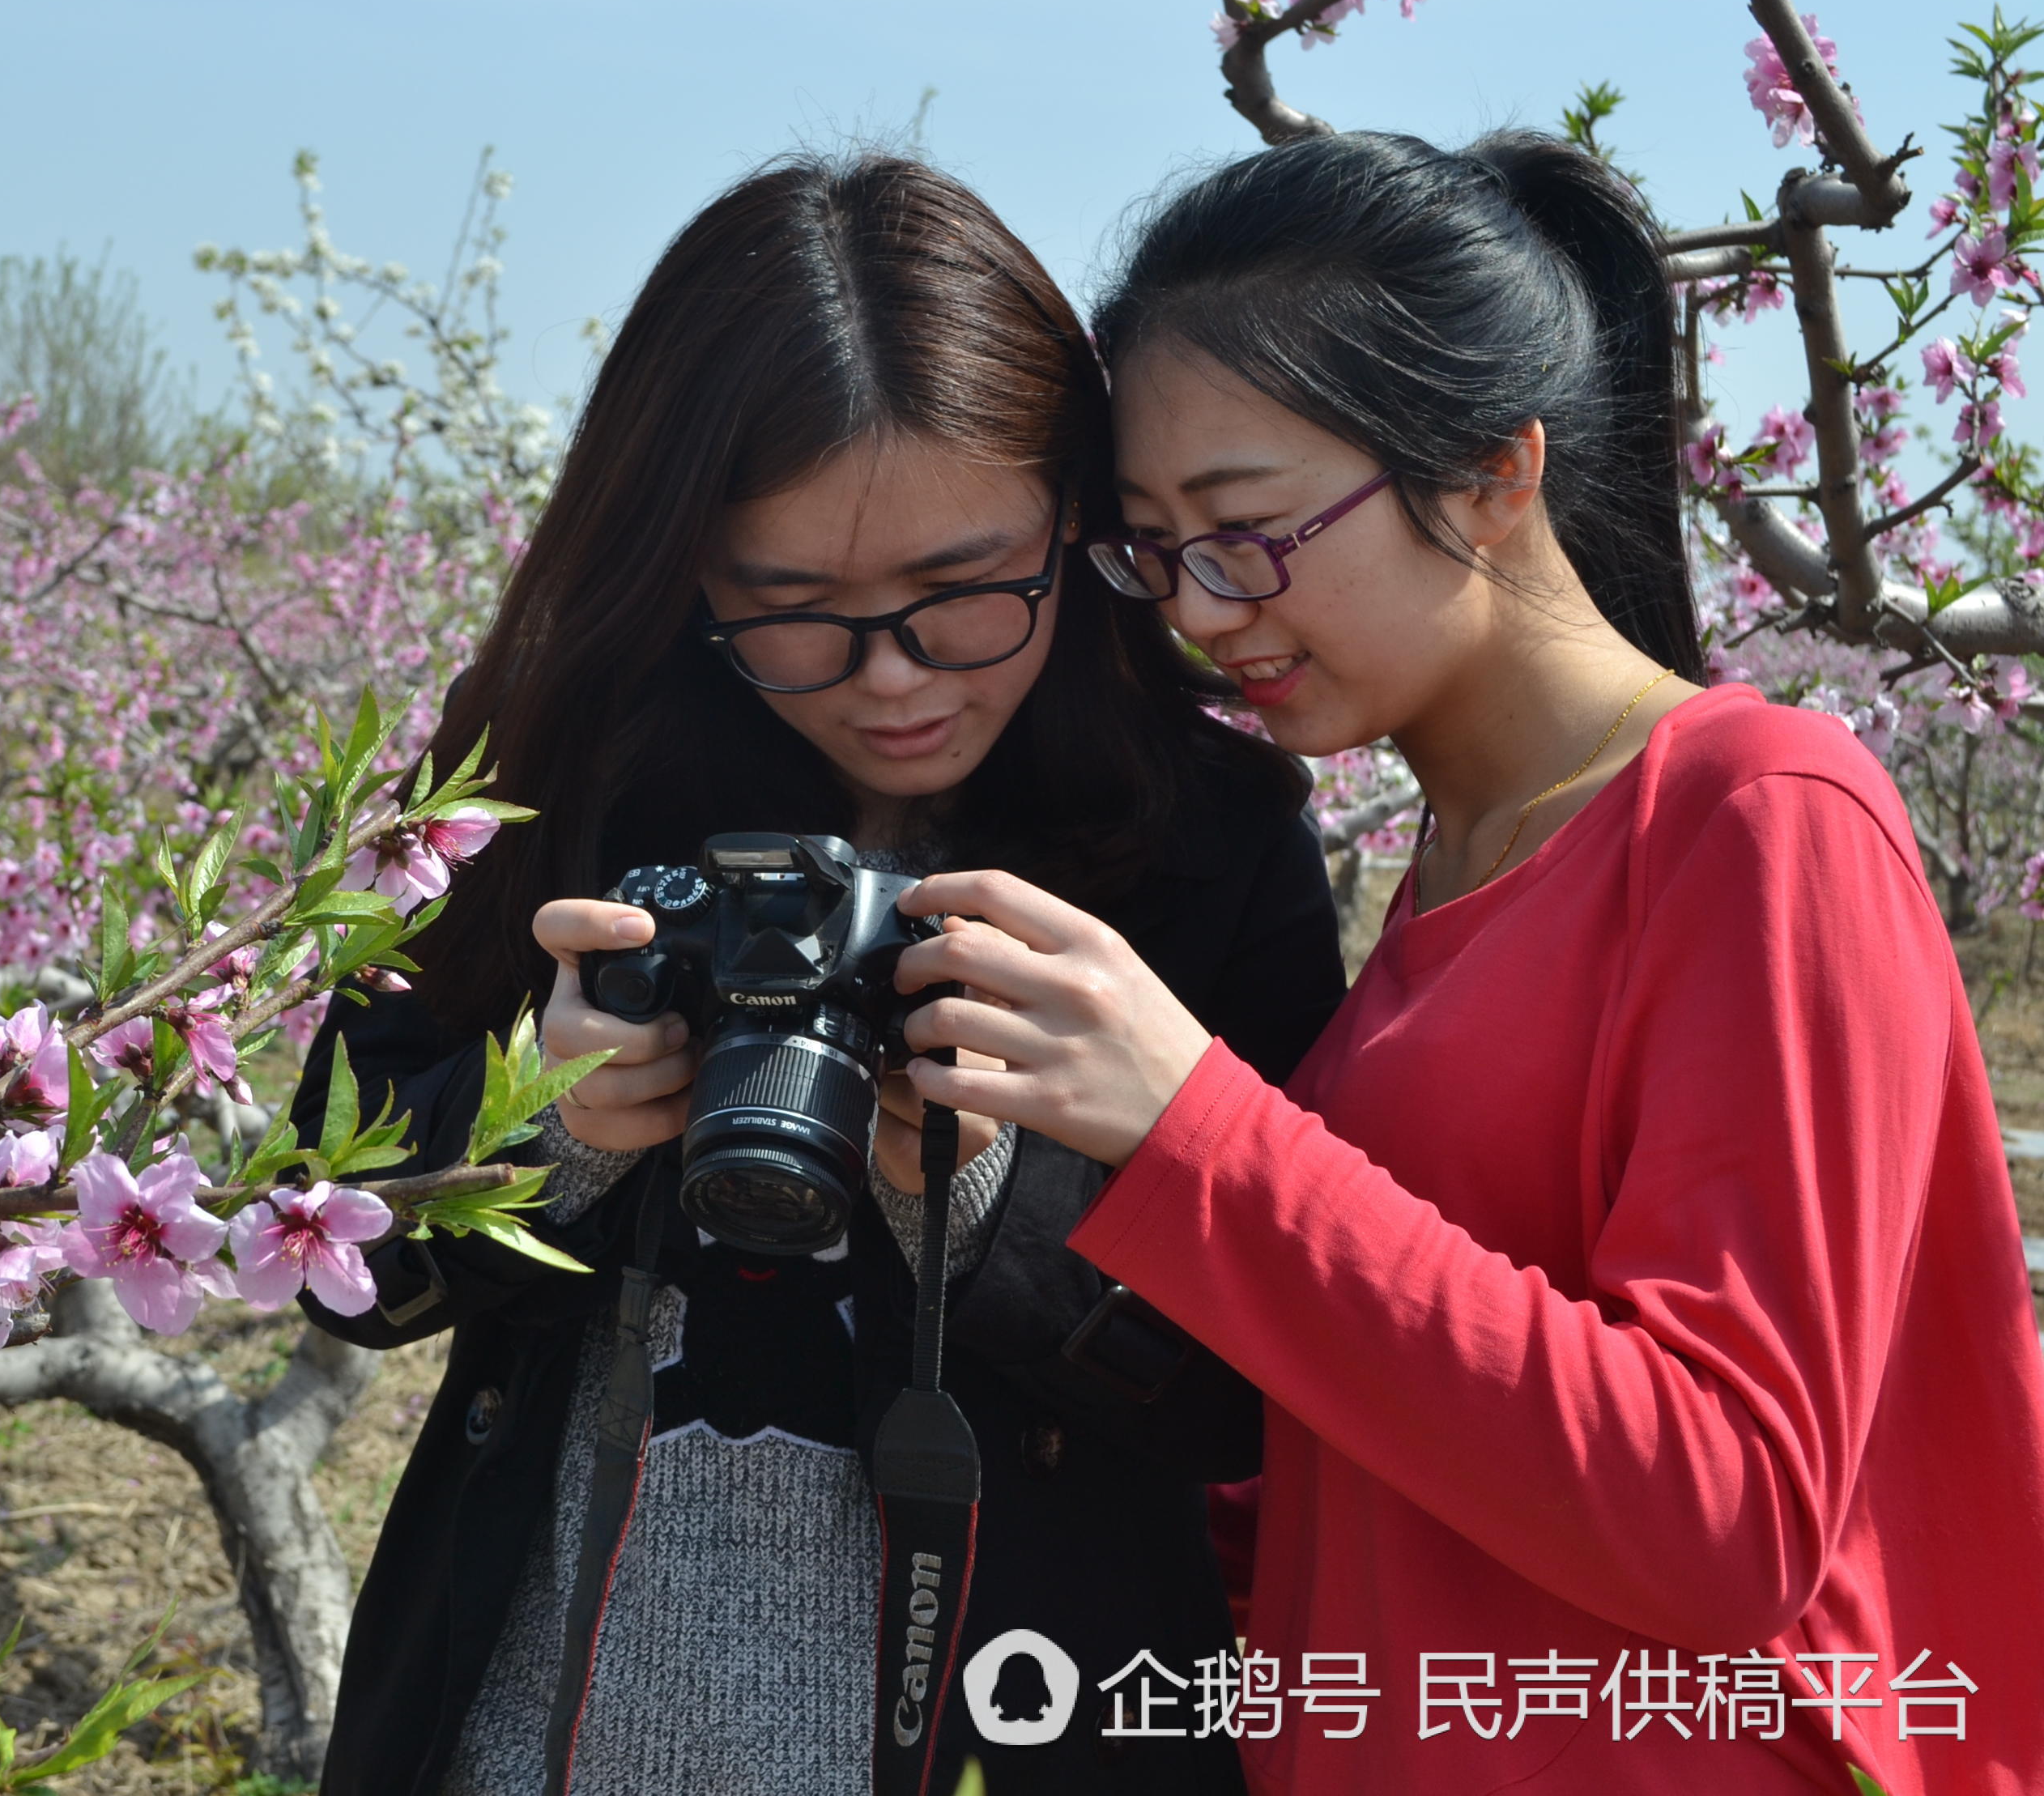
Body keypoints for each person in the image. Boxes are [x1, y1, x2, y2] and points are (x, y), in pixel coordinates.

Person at [892, 128, 2044, 1795]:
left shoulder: (1759, 813)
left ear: (1497, 474)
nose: (1202, 610)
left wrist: (1198, 1127)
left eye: (1251, 529)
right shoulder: (1453, 867)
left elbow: (1728, 1514)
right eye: (1154, 549)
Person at [287, 151, 1347, 1796]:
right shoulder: (560, 779)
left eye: (964, 593)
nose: (894, 680)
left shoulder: (1206, 843)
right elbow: (329, 1253)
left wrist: (988, 1202)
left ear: (1078, 525)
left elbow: (1265, 1383)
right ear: (682, 564)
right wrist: (543, 1129)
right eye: (794, 610)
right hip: (533, 1725)